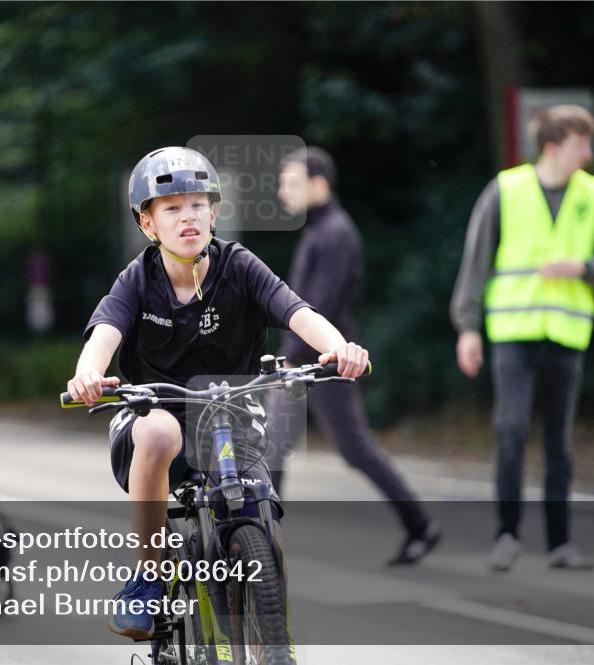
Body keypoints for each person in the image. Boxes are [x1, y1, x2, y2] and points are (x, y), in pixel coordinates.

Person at [66, 146, 369, 640]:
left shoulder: (240, 265)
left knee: (260, 507)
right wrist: (88, 374)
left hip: (230, 410)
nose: (188, 216)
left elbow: (296, 312)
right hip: (152, 414)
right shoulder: (138, 279)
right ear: (148, 225)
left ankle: (273, 635)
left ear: (214, 212)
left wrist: (339, 349)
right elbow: (104, 333)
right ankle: (150, 574)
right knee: (162, 431)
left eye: (197, 204)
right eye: (171, 208)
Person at [450, 105, 594, 571]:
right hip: (513, 335)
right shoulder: (505, 190)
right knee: (509, 432)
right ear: (553, 146)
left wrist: (583, 268)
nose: (588, 154)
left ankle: (559, 544)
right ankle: (507, 534)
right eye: (580, 144)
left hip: (567, 336)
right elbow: (476, 263)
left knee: (559, 443)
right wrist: (468, 327)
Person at [271, 146, 440, 565]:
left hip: (326, 362)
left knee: (350, 448)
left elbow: (318, 305)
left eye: (291, 184)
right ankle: (263, 543)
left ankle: (420, 524)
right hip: (313, 360)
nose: (282, 193)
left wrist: (291, 360)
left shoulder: (336, 233)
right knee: (274, 447)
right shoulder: (321, 230)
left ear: (319, 184)